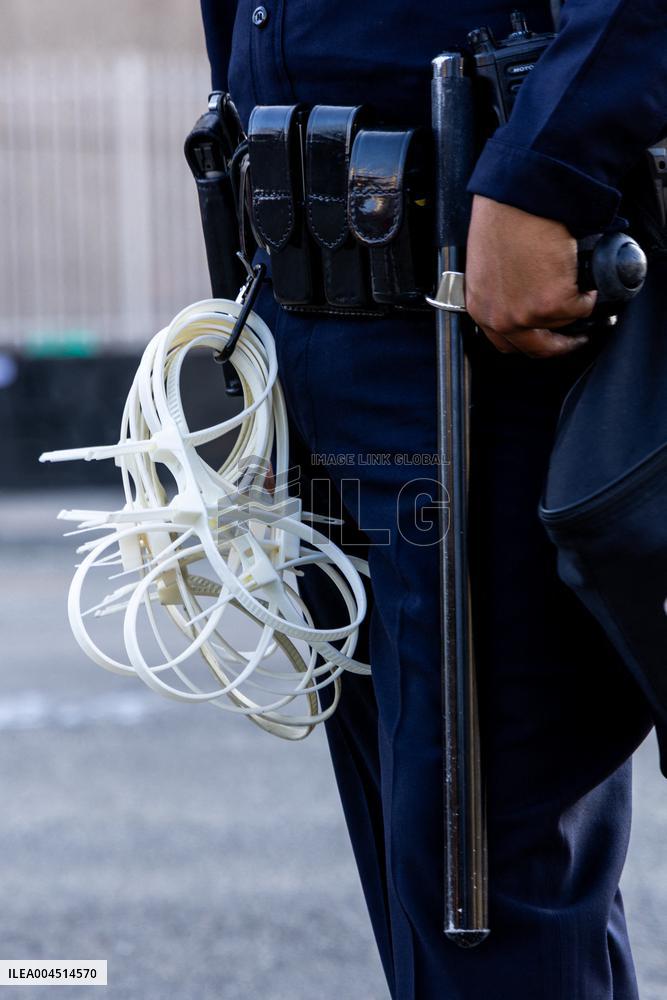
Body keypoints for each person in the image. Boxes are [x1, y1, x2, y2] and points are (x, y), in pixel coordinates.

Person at [198, 2, 665, 997]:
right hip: (320, 305)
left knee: (487, 904)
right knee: (430, 901)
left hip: (487, 318)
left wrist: (551, 166)